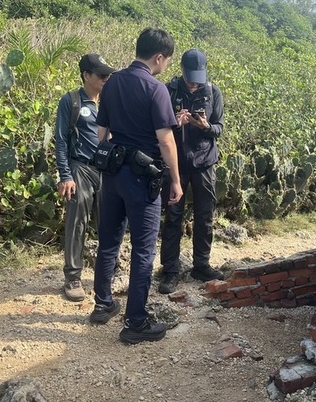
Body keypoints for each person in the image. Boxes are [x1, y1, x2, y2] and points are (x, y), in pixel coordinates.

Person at [91, 28, 182, 344]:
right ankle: (136, 322)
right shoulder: (156, 89)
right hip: (143, 177)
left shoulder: (112, 82)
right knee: (143, 248)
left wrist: (117, 153)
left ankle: (103, 304)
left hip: (113, 173)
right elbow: (166, 140)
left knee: (109, 240)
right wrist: (176, 181)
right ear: (159, 57)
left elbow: (102, 132)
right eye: (167, 60)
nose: (166, 66)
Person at [158, 49, 225, 294]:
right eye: (190, 77)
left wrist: (206, 126)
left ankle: (201, 265)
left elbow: (219, 128)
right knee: (173, 216)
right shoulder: (169, 90)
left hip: (205, 162)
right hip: (176, 163)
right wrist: (176, 122)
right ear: (182, 71)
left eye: (198, 77)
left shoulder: (213, 92)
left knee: (205, 215)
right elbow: (159, 126)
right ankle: (170, 271)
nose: (194, 82)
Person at [55, 54, 117, 301]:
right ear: (86, 76)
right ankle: (72, 277)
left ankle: (107, 273)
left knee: (109, 224)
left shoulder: (110, 102)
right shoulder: (71, 102)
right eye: (101, 75)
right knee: (77, 223)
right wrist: (65, 175)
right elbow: (61, 140)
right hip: (80, 168)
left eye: (107, 75)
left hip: (107, 171)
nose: (105, 79)